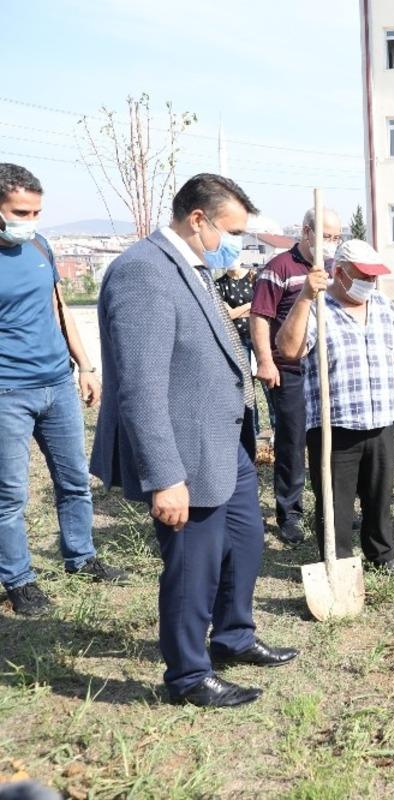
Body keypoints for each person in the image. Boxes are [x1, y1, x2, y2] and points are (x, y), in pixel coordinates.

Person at [91, 173, 297, 708]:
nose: (237, 243)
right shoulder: (143, 272)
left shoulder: (194, 267)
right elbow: (140, 385)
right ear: (198, 219)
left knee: (247, 543)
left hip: (223, 443)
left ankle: (233, 636)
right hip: (184, 452)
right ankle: (187, 676)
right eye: (231, 231)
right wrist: (165, 476)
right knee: (192, 566)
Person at [0, 162, 127, 617]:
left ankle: (82, 556)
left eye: (35, 212)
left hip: (57, 384)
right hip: (8, 394)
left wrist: (86, 365)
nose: (28, 221)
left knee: (74, 481)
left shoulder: (40, 245)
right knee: (10, 494)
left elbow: (60, 309)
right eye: (20, 211)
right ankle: (18, 581)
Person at [275, 240, 394, 571]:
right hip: (335, 424)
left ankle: (381, 554)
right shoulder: (316, 308)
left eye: (373, 276)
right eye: (363, 276)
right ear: (338, 273)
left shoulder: (382, 305)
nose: (369, 283)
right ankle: (337, 560)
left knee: (379, 497)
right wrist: (305, 297)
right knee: (334, 501)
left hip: (382, 418)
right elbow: (289, 349)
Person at [250, 207, 342, 544]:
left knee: (331, 442)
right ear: (306, 232)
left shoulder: (334, 269)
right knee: (292, 443)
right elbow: (260, 315)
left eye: (335, 238)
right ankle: (289, 513)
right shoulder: (279, 268)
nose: (330, 244)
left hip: (328, 371)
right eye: (325, 237)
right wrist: (265, 360)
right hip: (289, 370)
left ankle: (333, 507)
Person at [214, 258, 261, 434]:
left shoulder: (253, 278)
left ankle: (274, 427)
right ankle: (253, 428)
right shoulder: (220, 284)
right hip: (237, 339)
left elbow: (261, 306)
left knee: (267, 383)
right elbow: (226, 315)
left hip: (258, 336)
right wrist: (250, 305)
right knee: (246, 384)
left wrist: (238, 310)